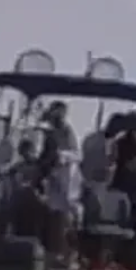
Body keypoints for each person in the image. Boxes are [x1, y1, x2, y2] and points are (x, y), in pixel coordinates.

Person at [37, 100, 79, 259]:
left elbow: (74, 154)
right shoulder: (51, 131)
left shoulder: (67, 131)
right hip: (53, 175)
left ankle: (68, 252)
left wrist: (60, 157)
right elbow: (45, 153)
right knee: (53, 212)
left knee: (65, 214)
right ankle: (53, 250)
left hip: (66, 174)